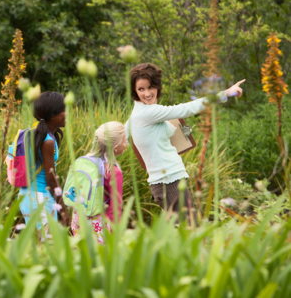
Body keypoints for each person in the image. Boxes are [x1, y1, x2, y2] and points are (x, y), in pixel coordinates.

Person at [125, 63, 244, 224]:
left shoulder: (138, 112)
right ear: (135, 91)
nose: (147, 93)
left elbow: (122, 134)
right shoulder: (148, 113)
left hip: (168, 182)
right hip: (169, 183)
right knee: (189, 232)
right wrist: (226, 93)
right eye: (141, 89)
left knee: (184, 235)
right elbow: (187, 108)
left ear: (157, 86)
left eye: (150, 87)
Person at [19, 91, 70, 230]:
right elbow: (51, 179)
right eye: (65, 110)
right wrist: (63, 211)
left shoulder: (34, 133)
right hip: (40, 197)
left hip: (27, 195)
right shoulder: (47, 141)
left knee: (39, 245)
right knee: (47, 247)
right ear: (53, 115)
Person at [70, 121, 127, 244]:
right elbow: (115, 208)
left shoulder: (85, 163)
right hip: (99, 225)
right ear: (115, 148)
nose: (126, 144)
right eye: (124, 140)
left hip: (79, 219)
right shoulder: (113, 172)